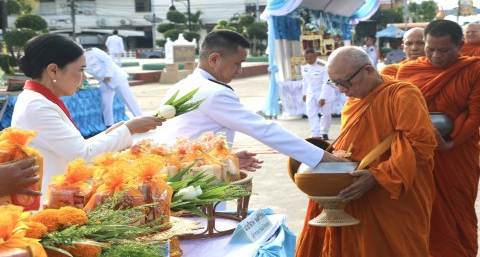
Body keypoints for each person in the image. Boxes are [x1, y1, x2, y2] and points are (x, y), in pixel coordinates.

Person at [296, 46, 437, 256]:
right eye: (335, 84)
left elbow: (421, 145)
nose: (342, 90)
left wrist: (377, 176)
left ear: (369, 71)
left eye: (345, 82)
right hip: (353, 194)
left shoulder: (402, 94)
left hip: (391, 197)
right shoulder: (354, 102)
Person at [155, 30, 345, 172]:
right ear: (214, 60)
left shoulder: (182, 85)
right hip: (197, 184)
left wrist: (228, 160)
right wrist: (320, 157)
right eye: (237, 63)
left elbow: (190, 137)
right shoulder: (214, 92)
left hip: (180, 174)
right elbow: (264, 130)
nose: (240, 71)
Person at [12, 34, 164, 203]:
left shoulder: (39, 100)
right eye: (81, 70)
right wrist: (129, 129)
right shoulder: (37, 106)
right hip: (46, 201)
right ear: (53, 70)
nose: (84, 78)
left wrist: (110, 133)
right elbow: (82, 154)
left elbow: (73, 147)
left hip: (55, 193)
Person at [396, 19, 480, 257]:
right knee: (420, 211)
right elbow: (399, 112)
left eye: (444, 50)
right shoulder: (408, 71)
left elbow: (475, 114)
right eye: (430, 49)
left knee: (457, 210)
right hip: (419, 155)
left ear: (460, 45)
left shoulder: (474, 69)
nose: (436, 56)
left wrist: (450, 143)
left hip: (457, 152)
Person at [84, 47, 143, 128]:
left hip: (116, 77)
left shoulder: (93, 51)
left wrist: (109, 75)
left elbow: (108, 60)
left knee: (129, 100)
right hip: (103, 82)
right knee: (106, 103)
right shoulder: (77, 61)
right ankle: (109, 125)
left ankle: (141, 119)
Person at [301, 48, 336, 140]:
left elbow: (327, 82)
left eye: (310, 58)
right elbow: (305, 81)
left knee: (326, 114)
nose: (308, 60)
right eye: (306, 58)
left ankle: (324, 132)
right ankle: (315, 134)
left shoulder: (323, 66)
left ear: (316, 56)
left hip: (324, 92)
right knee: (311, 113)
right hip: (311, 93)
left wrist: (323, 97)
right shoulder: (305, 67)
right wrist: (304, 93)